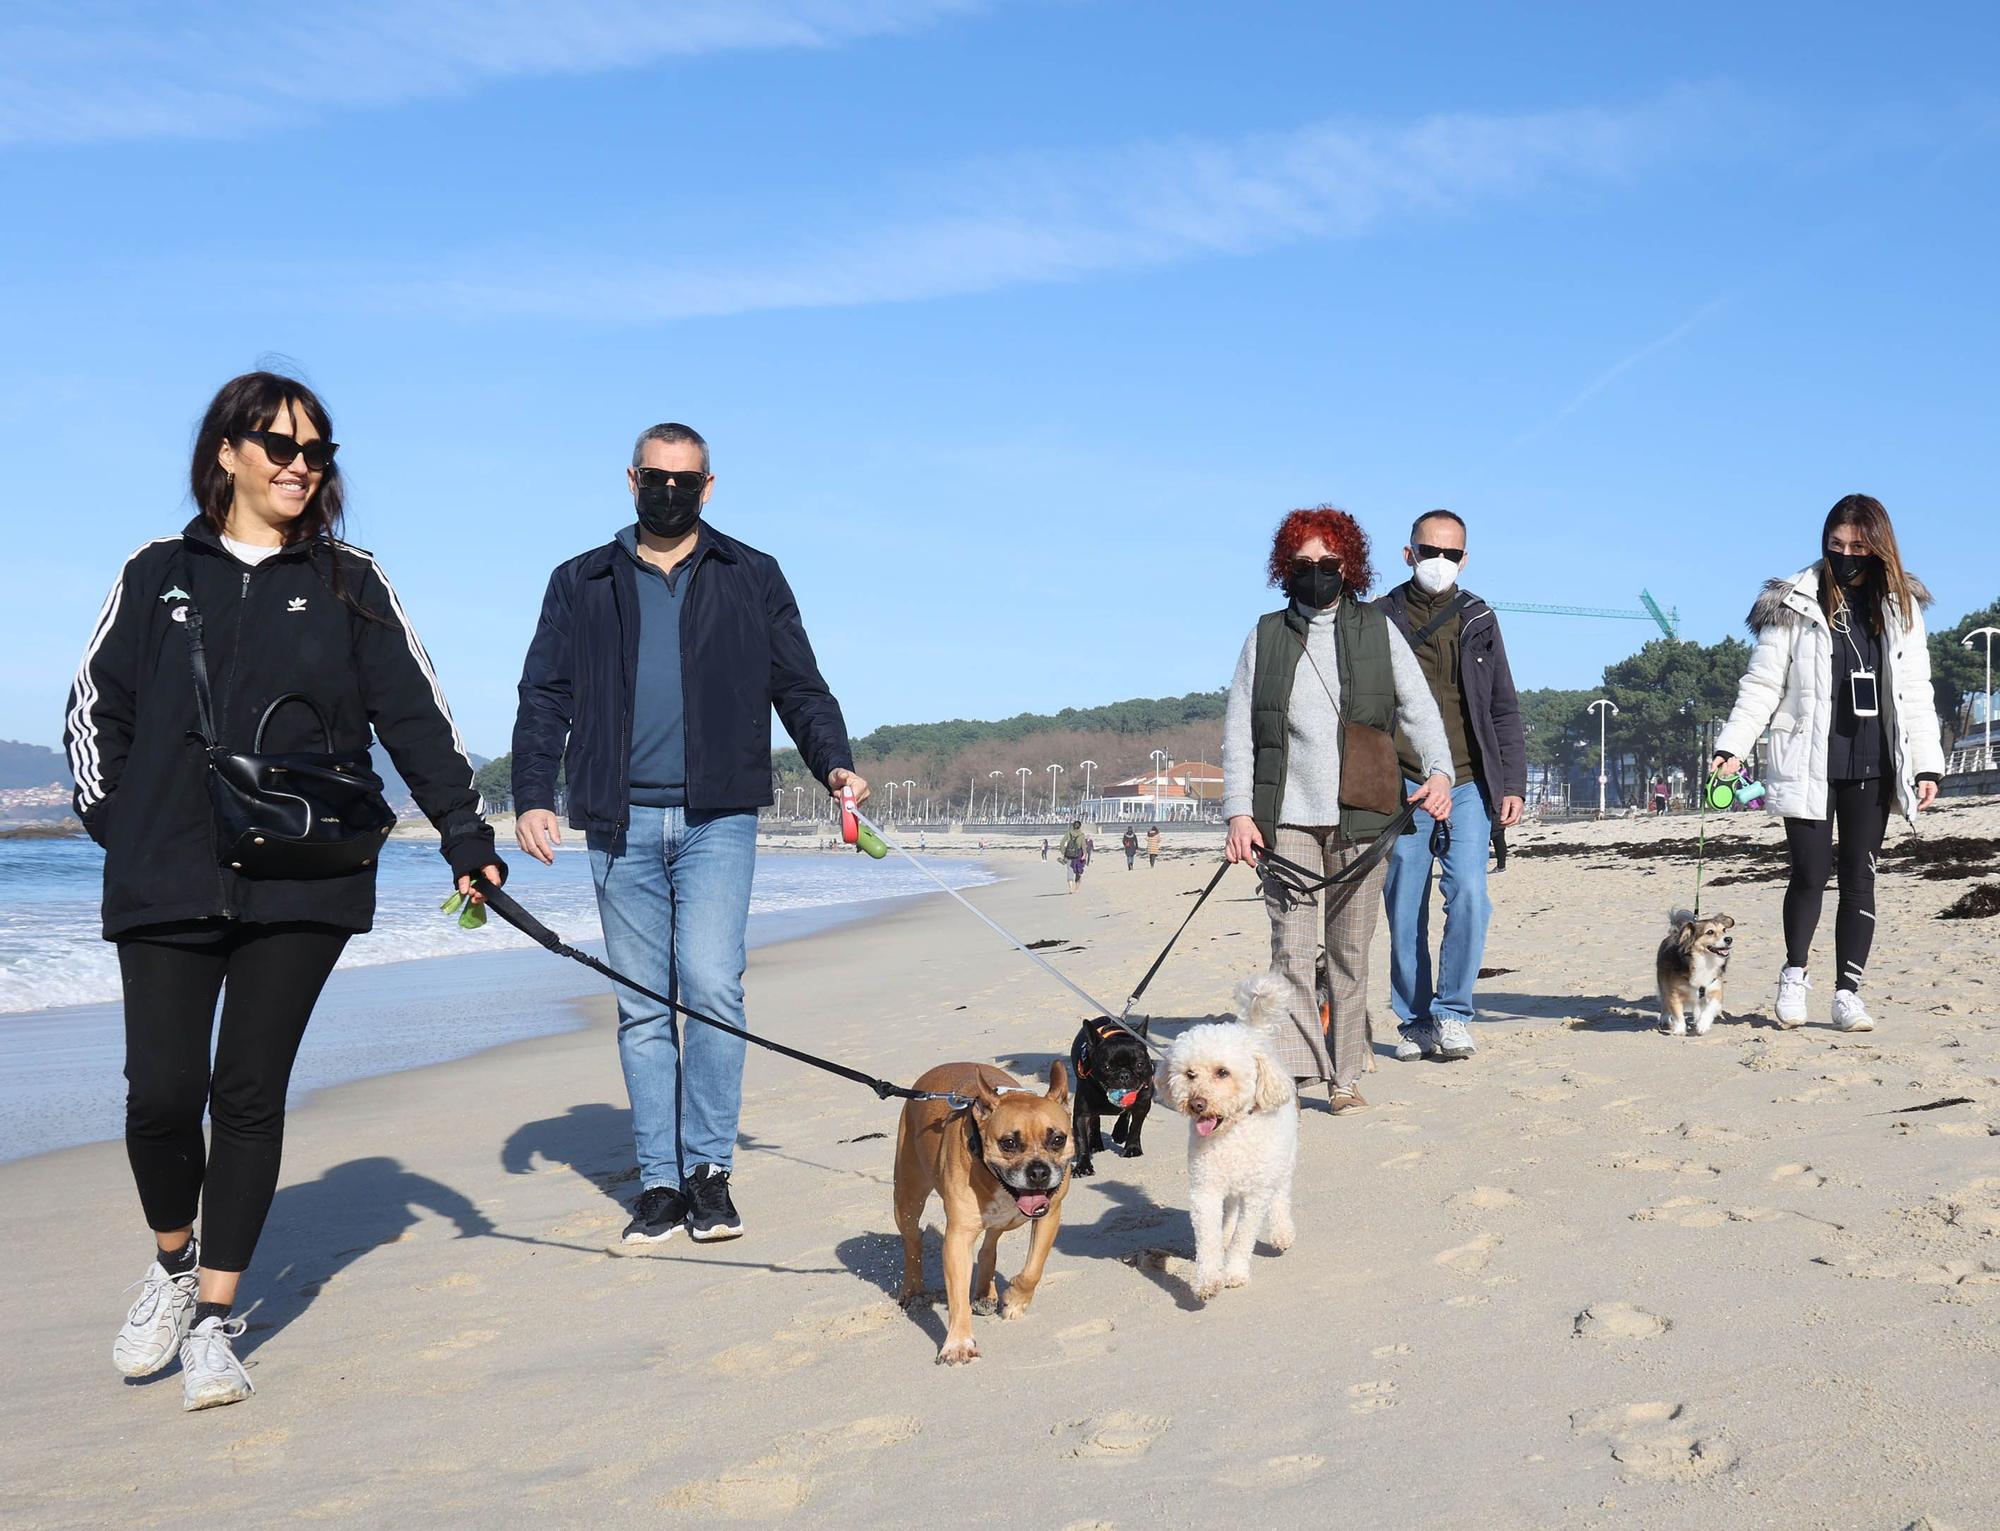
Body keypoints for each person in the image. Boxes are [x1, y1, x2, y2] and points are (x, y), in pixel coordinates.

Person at [66, 371, 503, 1411]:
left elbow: (416, 716)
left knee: (248, 1093)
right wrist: (120, 824)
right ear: (226, 451)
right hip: (166, 872)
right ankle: (172, 1261)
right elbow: (95, 708)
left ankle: (216, 1316)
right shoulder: (157, 571)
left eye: (318, 450)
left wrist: (463, 830)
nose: (300, 464)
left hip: (306, 877)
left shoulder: (350, 579)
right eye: (278, 444)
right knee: (161, 1095)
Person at [512, 422, 865, 1244]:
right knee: (641, 1006)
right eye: (654, 477)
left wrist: (834, 764)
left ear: (708, 486)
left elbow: (799, 685)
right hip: (615, 816)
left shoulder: (752, 575)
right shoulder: (581, 580)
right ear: (631, 480)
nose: (668, 490)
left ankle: (710, 1171)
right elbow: (543, 694)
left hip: (718, 816)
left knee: (710, 988)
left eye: (685, 479)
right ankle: (660, 1183)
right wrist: (533, 792)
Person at [1222, 506, 1454, 1113]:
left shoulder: (1379, 630)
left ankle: (1345, 1075)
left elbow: (1419, 708)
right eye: (1303, 564)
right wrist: (1239, 815)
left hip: (1365, 816)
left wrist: (1440, 771)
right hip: (1286, 820)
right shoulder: (1265, 636)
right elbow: (1241, 733)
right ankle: (1299, 1073)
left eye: (1328, 563)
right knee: (1292, 954)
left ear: (1348, 565)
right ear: (1285, 568)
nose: (1316, 573)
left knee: (1350, 954)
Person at [1712, 494, 1943, 1032]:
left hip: (1876, 761)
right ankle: (1795, 975)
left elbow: (1915, 690)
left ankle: (1848, 993)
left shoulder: (1900, 606)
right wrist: (1732, 747)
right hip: (1807, 758)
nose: (1846, 555)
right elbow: (1763, 683)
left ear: (1879, 546)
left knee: (1861, 879)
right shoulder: (1792, 600)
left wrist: (1926, 766)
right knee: (1810, 874)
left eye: (1858, 547)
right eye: (1836, 545)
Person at [1374, 509, 1526, 1065]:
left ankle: (1454, 1013)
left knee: (1469, 894)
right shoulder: (1376, 618)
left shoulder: (1480, 617)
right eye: (1429, 550)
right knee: (1402, 901)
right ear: (1408, 552)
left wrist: (1511, 781)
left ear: (1466, 559)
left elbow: (1503, 707)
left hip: (1467, 780)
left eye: (1452, 554)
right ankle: (1414, 1020)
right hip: (1400, 784)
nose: (1440, 562)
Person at [1058, 819, 1088, 891]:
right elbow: (1084, 845)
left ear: (1073, 826)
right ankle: (1076, 888)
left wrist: (1064, 852)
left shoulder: (1068, 833)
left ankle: (1071, 888)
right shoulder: (1082, 835)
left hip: (1069, 854)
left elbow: (1062, 843)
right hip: (1079, 854)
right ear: (1080, 827)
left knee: (1070, 870)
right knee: (1078, 871)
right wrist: (1085, 854)